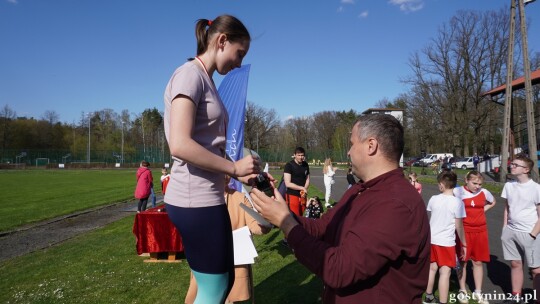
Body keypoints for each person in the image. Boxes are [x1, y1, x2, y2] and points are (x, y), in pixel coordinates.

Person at [251, 114, 431, 303]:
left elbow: (340, 269)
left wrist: (286, 223)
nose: (348, 152)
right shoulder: (359, 190)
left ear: (371, 146)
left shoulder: (395, 203)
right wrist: (282, 212)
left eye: (352, 144)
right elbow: (321, 228)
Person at [163, 15, 260, 304]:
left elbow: (206, 144)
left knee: (219, 282)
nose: (239, 63)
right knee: (215, 287)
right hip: (195, 200)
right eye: (239, 53)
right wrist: (232, 167)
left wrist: (232, 174)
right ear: (221, 41)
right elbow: (179, 144)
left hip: (206, 197)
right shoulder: (189, 75)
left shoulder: (204, 80)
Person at [185, 176, 271, 304]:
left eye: (226, 175)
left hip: (235, 261)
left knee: (231, 299)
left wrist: (263, 224)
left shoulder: (240, 198)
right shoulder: (200, 198)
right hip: (208, 261)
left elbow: (254, 225)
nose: (224, 178)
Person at [501, 155, 540, 304]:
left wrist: (532, 235)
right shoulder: (509, 186)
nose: (512, 166)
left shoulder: (536, 189)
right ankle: (516, 296)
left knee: (536, 270)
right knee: (516, 264)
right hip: (511, 232)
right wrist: (505, 229)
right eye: (512, 164)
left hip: (531, 233)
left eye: (516, 165)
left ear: (526, 169)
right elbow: (507, 208)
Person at [423, 171, 467, 304]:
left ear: (442, 185)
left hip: (432, 239)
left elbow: (431, 216)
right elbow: (459, 227)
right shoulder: (458, 203)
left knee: (432, 269)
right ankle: (442, 301)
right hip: (446, 242)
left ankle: (428, 296)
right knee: (445, 273)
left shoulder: (433, 199)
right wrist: (464, 244)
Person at [453, 171, 496, 304]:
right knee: (463, 262)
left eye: (479, 184)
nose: (477, 186)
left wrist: (482, 210)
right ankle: (462, 290)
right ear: (466, 180)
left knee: (478, 262)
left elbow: (493, 202)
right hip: (464, 231)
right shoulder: (457, 191)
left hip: (480, 231)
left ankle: (478, 292)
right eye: (474, 183)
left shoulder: (484, 192)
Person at [283, 147, 310, 217]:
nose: (301, 157)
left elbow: (307, 179)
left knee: (301, 216)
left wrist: (304, 190)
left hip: (303, 195)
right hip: (292, 195)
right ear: (294, 155)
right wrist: (301, 188)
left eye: (302, 155)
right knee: (294, 217)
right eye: (299, 155)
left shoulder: (305, 165)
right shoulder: (289, 165)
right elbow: (287, 183)